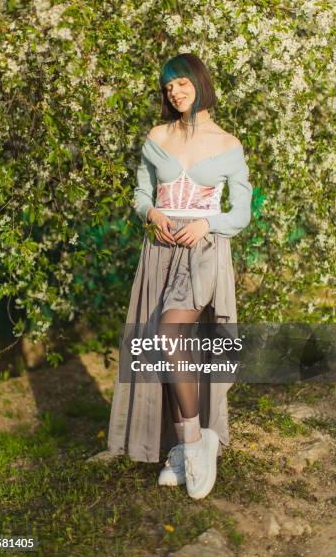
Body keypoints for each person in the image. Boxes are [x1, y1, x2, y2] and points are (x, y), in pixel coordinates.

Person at [107, 53, 253, 500]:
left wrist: (207, 224)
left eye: (182, 83)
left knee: (170, 336)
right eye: (169, 87)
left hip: (203, 253)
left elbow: (242, 211)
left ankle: (195, 444)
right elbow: (140, 194)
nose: (175, 92)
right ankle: (179, 448)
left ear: (200, 83)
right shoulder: (156, 136)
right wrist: (151, 211)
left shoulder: (228, 144)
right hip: (161, 250)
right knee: (164, 346)